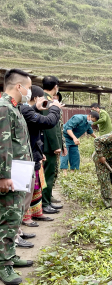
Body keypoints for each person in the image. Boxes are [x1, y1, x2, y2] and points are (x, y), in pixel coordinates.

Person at [0, 69, 34, 285]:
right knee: (7, 219)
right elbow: (2, 144)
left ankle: (10, 256)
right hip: (10, 173)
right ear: (19, 86)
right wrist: (3, 176)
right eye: (29, 88)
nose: (29, 92)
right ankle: (3, 265)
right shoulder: (4, 108)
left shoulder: (14, 107)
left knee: (15, 216)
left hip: (19, 171)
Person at [20, 85, 63, 228]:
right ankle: (25, 219)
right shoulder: (24, 108)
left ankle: (36, 212)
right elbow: (48, 123)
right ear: (37, 97)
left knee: (35, 185)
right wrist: (55, 107)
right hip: (26, 155)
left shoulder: (27, 109)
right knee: (26, 190)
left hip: (34, 152)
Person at [41, 76, 66, 214]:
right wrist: (56, 145)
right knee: (47, 174)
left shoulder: (49, 100)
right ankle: (44, 203)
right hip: (48, 145)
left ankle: (47, 200)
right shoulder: (46, 101)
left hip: (50, 144)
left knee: (49, 174)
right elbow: (49, 125)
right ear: (55, 86)